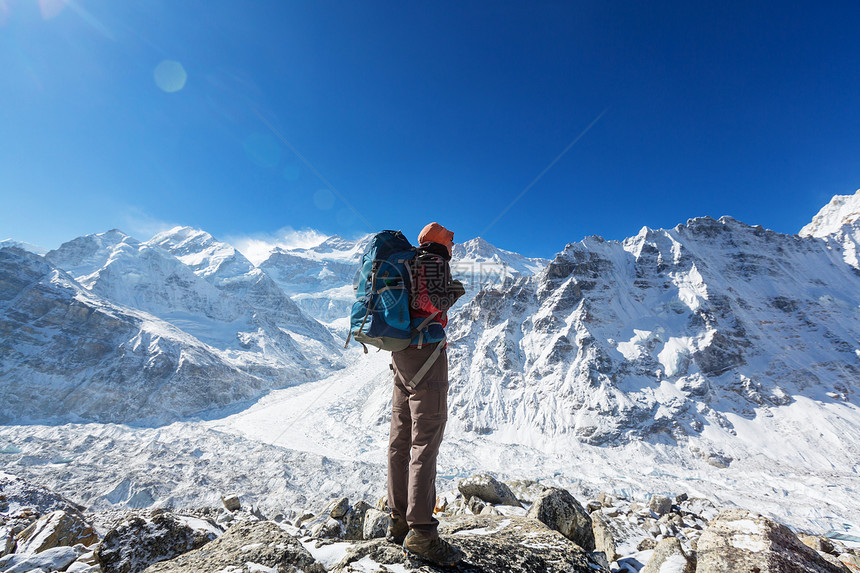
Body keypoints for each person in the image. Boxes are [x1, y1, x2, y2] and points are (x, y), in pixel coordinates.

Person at [386, 222, 466, 566]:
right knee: (425, 443)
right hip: (427, 357)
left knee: (400, 439)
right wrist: (455, 290)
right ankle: (421, 533)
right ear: (440, 243)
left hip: (402, 355)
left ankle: (397, 520)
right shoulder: (433, 262)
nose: (453, 245)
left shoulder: (406, 263)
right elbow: (429, 300)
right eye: (450, 240)